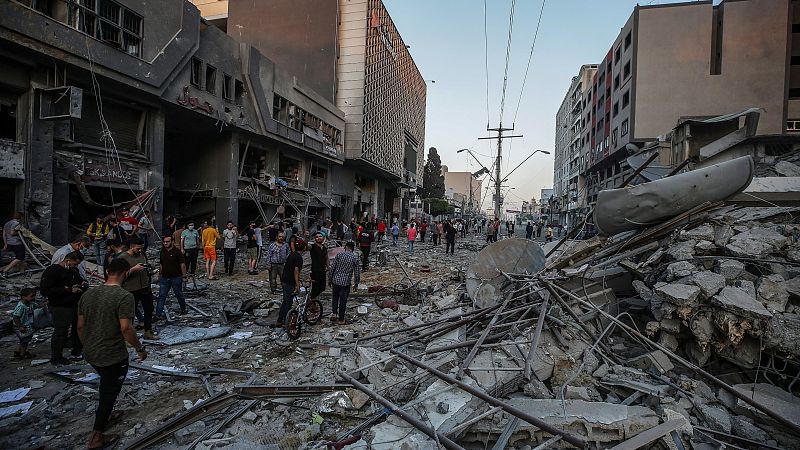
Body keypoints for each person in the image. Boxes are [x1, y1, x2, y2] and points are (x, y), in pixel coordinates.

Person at [77, 257, 147, 450]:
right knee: (109, 392)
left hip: (92, 353)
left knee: (106, 387)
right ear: (126, 274)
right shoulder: (124, 297)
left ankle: (106, 415)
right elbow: (126, 328)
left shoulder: (88, 294)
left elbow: (80, 326)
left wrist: (88, 346)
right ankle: (96, 437)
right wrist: (139, 348)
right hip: (113, 355)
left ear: (107, 272)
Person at [40, 251, 85, 365]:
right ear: (67, 261)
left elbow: (79, 280)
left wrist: (83, 284)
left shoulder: (73, 271)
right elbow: (45, 290)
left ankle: (76, 350)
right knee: (61, 331)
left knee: (77, 328)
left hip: (75, 304)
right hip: (60, 306)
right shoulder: (52, 271)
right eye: (74, 264)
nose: (75, 267)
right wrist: (67, 289)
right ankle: (56, 357)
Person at [117, 238, 158, 340]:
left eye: (141, 248)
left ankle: (148, 331)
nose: (140, 250)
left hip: (144, 287)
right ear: (131, 246)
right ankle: (127, 336)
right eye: (138, 248)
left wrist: (150, 269)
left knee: (149, 309)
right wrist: (133, 270)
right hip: (130, 289)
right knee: (130, 313)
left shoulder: (142, 254)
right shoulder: (122, 257)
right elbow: (119, 276)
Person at [328, 241, 360, 325]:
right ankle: (341, 319)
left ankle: (334, 313)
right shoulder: (355, 258)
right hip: (345, 282)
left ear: (345, 247)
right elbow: (357, 273)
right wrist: (356, 284)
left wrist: (330, 279)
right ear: (353, 249)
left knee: (335, 297)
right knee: (343, 300)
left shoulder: (339, 255)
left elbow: (332, 268)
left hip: (336, 280)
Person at [276, 238, 306, 328]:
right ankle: (286, 320)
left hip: (284, 280)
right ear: (304, 248)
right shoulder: (299, 257)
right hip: (289, 281)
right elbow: (296, 271)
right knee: (288, 302)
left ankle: (280, 320)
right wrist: (297, 284)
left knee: (285, 301)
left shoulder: (292, 254)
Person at [157, 235, 188, 319]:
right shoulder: (162, 251)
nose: (165, 243)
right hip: (165, 278)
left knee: (179, 294)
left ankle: (183, 309)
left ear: (172, 242)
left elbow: (182, 264)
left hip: (176, 277)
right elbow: (161, 264)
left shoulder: (177, 252)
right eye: (164, 242)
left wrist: (184, 276)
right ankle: (158, 314)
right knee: (162, 296)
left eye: (167, 242)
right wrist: (159, 275)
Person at [12, 287, 36, 359]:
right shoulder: (21, 306)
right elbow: (15, 317)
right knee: (25, 340)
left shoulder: (30, 304)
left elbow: (38, 306)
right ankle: (22, 354)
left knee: (23, 339)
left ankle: (17, 351)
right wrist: (20, 326)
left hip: (26, 325)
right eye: (31, 296)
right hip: (21, 326)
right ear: (23, 297)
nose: (33, 298)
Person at [2, 212, 26, 277]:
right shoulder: (16, 223)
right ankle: (5, 270)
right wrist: (22, 232)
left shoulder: (7, 223)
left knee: (22, 257)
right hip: (17, 243)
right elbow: (12, 233)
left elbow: (4, 234)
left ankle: (22, 271)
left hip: (10, 243)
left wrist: (5, 244)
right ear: (20, 217)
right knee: (19, 258)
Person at [309, 232, 328, 303]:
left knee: (322, 287)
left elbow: (326, 258)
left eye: (320, 236)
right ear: (315, 239)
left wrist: (328, 267)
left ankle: (312, 299)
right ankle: (311, 301)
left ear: (323, 238)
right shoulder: (313, 247)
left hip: (323, 270)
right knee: (315, 288)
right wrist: (305, 237)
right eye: (317, 237)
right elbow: (307, 246)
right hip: (315, 270)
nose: (319, 238)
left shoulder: (324, 248)